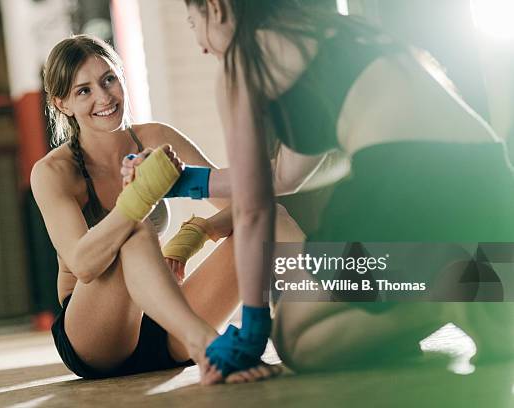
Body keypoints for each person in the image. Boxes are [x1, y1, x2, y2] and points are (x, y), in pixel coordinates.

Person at [156, 0, 514, 383]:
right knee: (493, 339)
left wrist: (252, 330)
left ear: (217, 7)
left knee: (297, 337)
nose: (201, 44)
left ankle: (450, 296)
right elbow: (282, 177)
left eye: (193, 23)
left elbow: (254, 206)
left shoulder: (243, 61)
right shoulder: (331, 33)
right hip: (492, 184)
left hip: (408, 181)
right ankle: (486, 298)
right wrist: (184, 182)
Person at [32, 34, 299, 382]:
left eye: (108, 79)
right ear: (62, 104)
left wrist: (200, 232)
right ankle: (208, 348)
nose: (103, 96)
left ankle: (324, 319)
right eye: (84, 90)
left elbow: (247, 203)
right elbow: (82, 264)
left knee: (271, 219)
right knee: (136, 229)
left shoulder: (156, 138)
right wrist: (138, 200)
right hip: (95, 336)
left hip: (164, 326)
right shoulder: (53, 172)